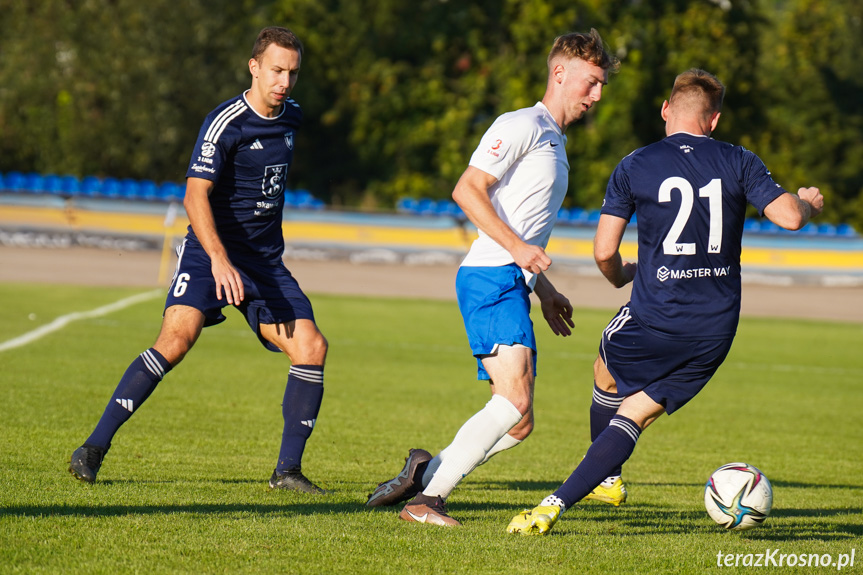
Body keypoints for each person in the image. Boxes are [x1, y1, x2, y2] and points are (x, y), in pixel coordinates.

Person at [506, 68, 824, 535]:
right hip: (714, 329)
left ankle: (607, 479)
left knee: (605, 367)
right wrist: (809, 202)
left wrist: (620, 277)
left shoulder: (635, 164)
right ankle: (554, 505)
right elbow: (790, 218)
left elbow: (603, 252)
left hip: (655, 315)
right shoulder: (740, 159)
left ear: (665, 110)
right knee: (635, 413)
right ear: (714, 121)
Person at [365, 29, 620, 526]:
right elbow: (467, 189)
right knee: (514, 400)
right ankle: (427, 501)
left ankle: (426, 471)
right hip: (491, 276)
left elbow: (521, 222)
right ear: (560, 72)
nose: (597, 95)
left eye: (602, 84)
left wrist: (544, 290)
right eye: (591, 82)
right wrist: (520, 251)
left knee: (519, 423)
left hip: (511, 280)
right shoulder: (522, 124)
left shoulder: (555, 140)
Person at [68, 26, 330, 494]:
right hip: (210, 255)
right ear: (254, 67)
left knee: (311, 348)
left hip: (264, 265)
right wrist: (219, 259)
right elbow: (194, 196)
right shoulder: (225, 122)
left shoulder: (292, 117)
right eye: (276, 70)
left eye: (292, 73)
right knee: (176, 338)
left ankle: (286, 472)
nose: (284, 82)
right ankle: (92, 448)